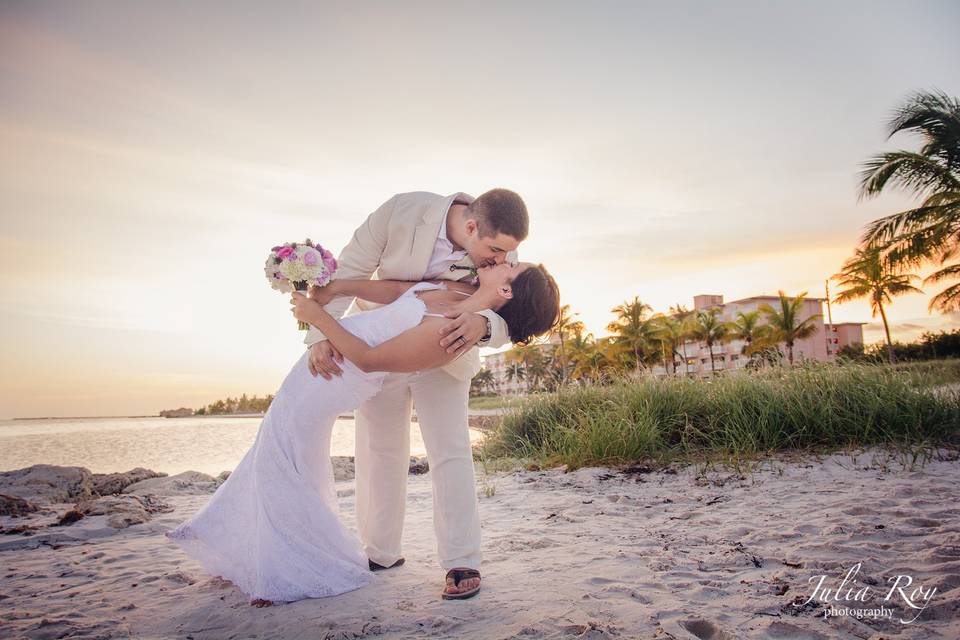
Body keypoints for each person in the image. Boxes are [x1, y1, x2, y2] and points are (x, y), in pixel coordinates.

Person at [165, 261, 560, 606]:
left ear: (506, 289)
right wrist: (336, 288)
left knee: (285, 461)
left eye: (513, 266)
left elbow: (370, 360)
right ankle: (289, 552)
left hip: (341, 373)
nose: (507, 259)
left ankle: (283, 566)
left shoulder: (450, 330)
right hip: (322, 370)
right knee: (294, 457)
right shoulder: (456, 286)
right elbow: (397, 291)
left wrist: (318, 319)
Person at [303, 190, 530, 600]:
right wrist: (320, 334)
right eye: (494, 250)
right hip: (381, 339)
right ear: (471, 227)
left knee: (451, 450)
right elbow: (351, 270)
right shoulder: (400, 212)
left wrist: (483, 325)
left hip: (446, 350)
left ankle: (462, 560)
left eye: (507, 254)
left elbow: (518, 308)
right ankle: (381, 551)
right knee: (379, 449)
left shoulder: (504, 246)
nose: (501, 260)